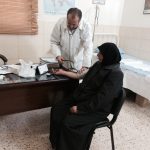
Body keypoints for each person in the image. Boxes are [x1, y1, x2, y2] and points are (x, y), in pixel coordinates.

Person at [50, 42, 123, 150]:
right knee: (57, 110)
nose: (98, 55)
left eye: (100, 53)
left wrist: (80, 108)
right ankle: (56, 144)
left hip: (96, 109)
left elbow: (102, 99)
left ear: (108, 56)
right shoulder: (99, 64)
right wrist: (63, 73)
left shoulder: (115, 74)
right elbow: (82, 77)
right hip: (82, 99)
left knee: (69, 122)